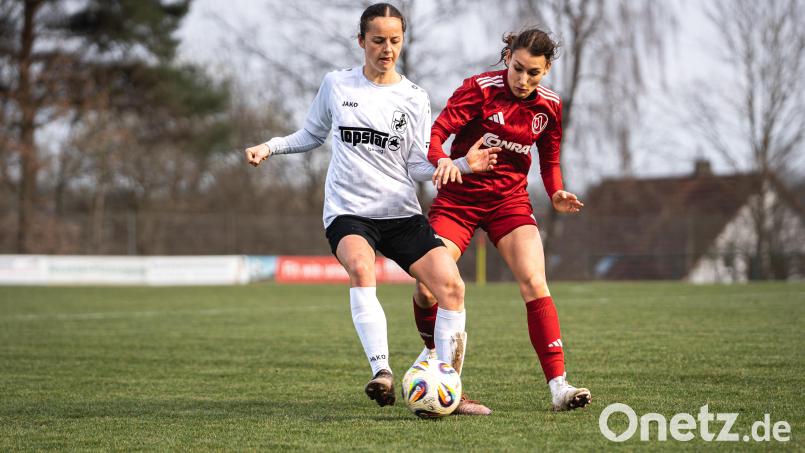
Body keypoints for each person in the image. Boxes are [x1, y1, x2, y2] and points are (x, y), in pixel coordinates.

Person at [244, 3, 498, 410]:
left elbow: (417, 164)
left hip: (400, 211)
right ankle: (381, 372)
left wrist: (464, 164)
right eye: (378, 40)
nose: (387, 48)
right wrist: (270, 147)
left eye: (395, 40)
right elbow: (311, 134)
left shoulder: (414, 97)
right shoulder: (337, 85)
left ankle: (451, 390)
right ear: (361, 41)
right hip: (349, 211)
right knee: (362, 267)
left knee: (451, 288)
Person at [411, 28, 592, 412]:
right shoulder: (479, 89)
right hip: (459, 200)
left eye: (535, 73)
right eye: (518, 68)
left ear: (547, 70)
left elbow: (551, 158)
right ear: (507, 56)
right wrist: (442, 159)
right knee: (428, 288)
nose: (524, 80)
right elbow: (437, 133)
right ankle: (433, 359)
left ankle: (559, 386)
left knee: (534, 281)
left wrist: (557, 190)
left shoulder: (549, 106)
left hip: (509, 202)